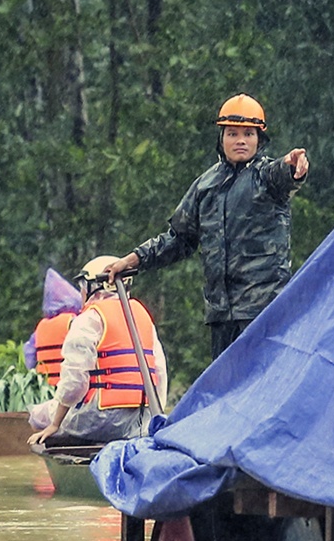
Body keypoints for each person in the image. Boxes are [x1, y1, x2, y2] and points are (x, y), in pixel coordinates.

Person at [112, 94, 309, 357]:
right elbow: (179, 239)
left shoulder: (266, 178)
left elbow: (285, 175)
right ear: (221, 138)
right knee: (224, 394)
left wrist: (295, 168)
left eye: (249, 134)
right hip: (221, 316)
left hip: (263, 312)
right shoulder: (205, 186)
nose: (240, 140)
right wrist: (133, 260)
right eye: (232, 133)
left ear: (259, 139)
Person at [27, 256, 168, 447]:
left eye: (84, 285)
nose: (82, 292)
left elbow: (74, 382)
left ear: (95, 286)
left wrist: (54, 425)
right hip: (140, 421)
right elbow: (159, 373)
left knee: (37, 415)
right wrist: (154, 419)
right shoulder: (143, 316)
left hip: (97, 420)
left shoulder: (89, 318)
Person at [22, 267, 84, 386]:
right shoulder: (74, 322)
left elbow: (29, 357)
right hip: (68, 388)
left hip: (45, 388)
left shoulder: (41, 327)